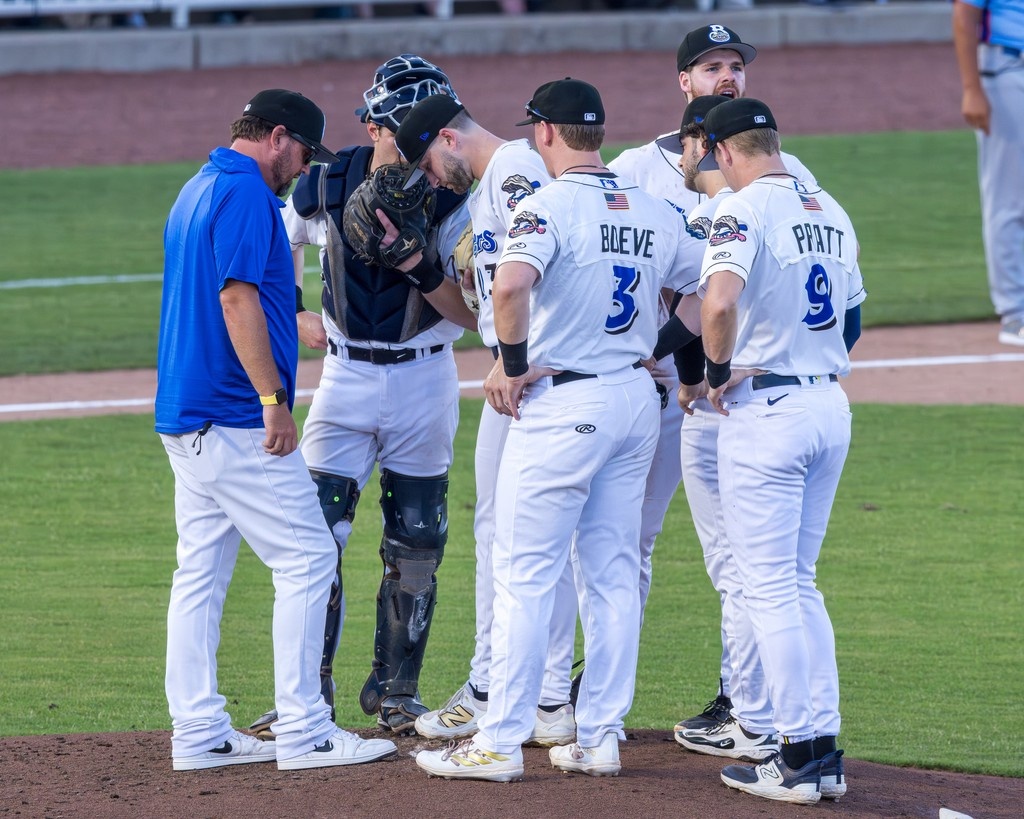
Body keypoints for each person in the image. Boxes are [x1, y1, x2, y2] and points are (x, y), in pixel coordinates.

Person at [413, 78, 699, 781]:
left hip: (564, 402)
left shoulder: (544, 206)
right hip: (635, 401)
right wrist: (660, 348)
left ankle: (499, 741)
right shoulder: (653, 207)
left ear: (544, 133)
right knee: (609, 574)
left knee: (523, 572)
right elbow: (706, 286)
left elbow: (508, 288)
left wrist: (510, 365)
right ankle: (599, 734)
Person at [156, 88, 397, 771]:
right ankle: (305, 728)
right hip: (233, 415)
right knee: (309, 559)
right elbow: (235, 298)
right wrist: (271, 398)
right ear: (277, 136)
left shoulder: (197, 187)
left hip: (187, 414)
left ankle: (198, 729)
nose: (301, 169)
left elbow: (224, 291)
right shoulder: (245, 196)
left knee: (199, 572)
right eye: (301, 154)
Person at [247, 56, 477, 739]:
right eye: (411, 126)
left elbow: (471, 312)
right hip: (343, 380)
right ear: (376, 123)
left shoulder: (459, 196)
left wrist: (418, 260)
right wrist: (291, 312)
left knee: (419, 539)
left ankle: (397, 693)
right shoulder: (324, 182)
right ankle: (305, 697)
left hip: (426, 376)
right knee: (314, 533)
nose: (429, 141)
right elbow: (270, 250)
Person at [610, 22, 817, 736]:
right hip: (652, 386)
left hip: (716, 392)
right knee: (621, 539)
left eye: (735, 66)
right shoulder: (635, 167)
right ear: (683, 81)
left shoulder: (779, 176)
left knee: (741, 558)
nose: (727, 75)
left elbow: (715, 299)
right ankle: (597, 690)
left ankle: (744, 701)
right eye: (711, 67)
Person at [392, 92, 578, 748]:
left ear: (448, 136)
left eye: (429, 160)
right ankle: (514, 688)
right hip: (523, 379)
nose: (432, 176)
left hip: (534, 381)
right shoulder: (496, 184)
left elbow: (538, 278)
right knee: (513, 537)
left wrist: (519, 355)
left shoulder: (516, 172)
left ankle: (525, 690)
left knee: (527, 542)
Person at [695, 97, 865, 804]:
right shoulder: (829, 207)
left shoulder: (744, 209)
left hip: (767, 412)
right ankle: (821, 749)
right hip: (828, 403)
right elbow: (852, 317)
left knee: (768, 587)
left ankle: (795, 754)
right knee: (798, 580)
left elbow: (720, 301)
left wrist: (712, 371)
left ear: (728, 151)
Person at [952, 0, 1024, 346]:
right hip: (1007, 67)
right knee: (1009, 197)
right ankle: (1015, 313)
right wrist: (971, 88)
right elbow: (965, 13)